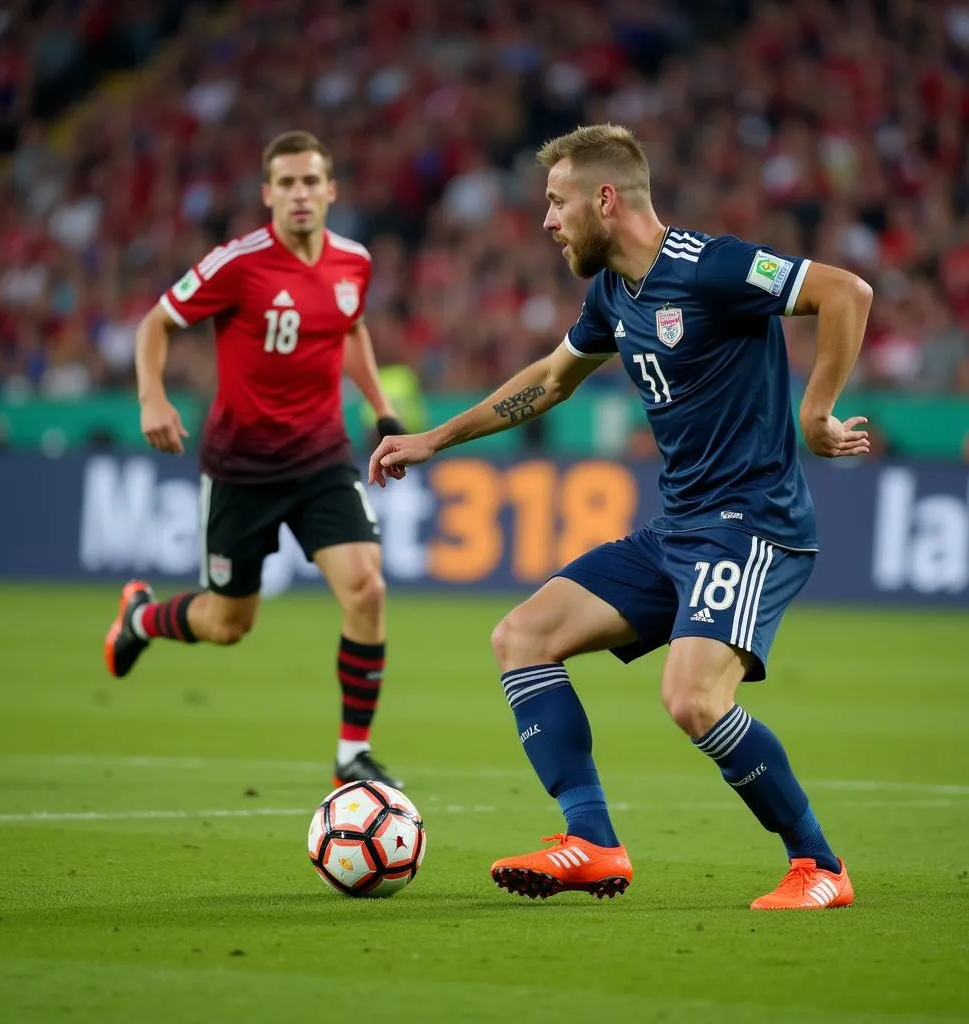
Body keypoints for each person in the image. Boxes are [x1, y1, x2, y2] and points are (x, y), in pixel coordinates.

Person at [369, 124, 873, 909]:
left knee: (693, 698)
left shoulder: (712, 266)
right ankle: (592, 841)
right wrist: (435, 439)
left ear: (605, 199)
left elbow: (846, 291)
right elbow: (550, 379)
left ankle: (820, 867)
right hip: (678, 531)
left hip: (753, 525)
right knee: (522, 637)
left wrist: (817, 412)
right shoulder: (611, 292)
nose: (546, 221)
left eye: (556, 201)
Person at [105, 130, 407, 791]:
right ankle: (140, 618)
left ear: (331, 190)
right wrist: (151, 398)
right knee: (227, 623)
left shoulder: (353, 262)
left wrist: (381, 410)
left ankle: (351, 754)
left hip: (323, 457)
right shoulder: (237, 263)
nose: (300, 194)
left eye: (311, 182)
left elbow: (349, 325)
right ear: (268, 194)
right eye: (287, 184)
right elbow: (154, 324)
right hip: (241, 468)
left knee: (367, 589)